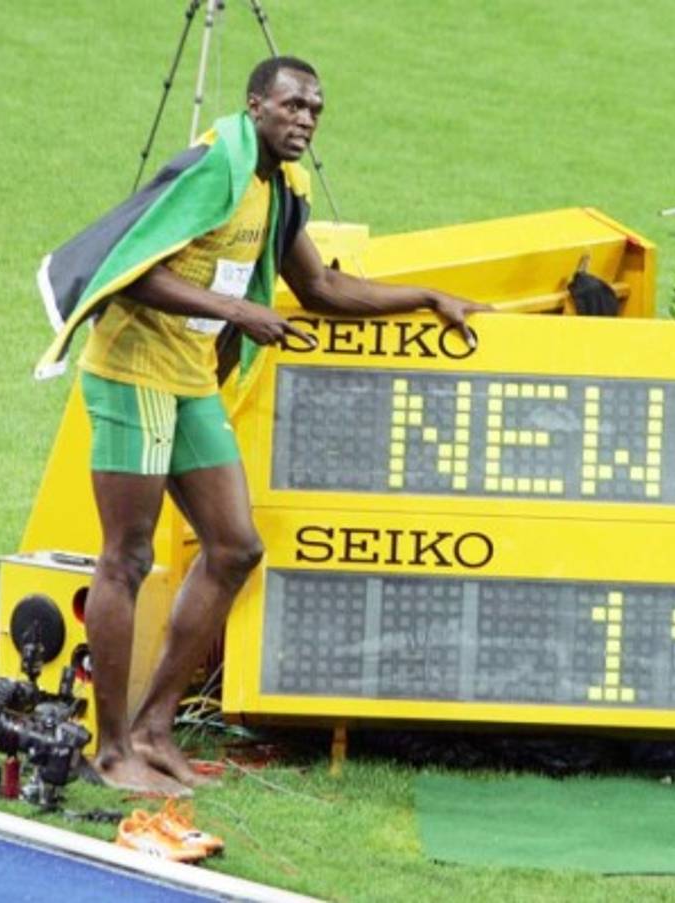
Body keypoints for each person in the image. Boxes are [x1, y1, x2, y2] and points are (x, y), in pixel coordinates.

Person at [35, 56, 484, 795]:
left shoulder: (279, 186)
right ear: (255, 106)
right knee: (127, 558)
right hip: (133, 374)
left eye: (315, 109)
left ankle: (153, 728)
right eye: (292, 105)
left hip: (189, 381)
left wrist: (429, 297)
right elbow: (130, 266)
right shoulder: (214, 167)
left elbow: (321, 285)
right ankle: (111, 750)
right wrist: (239, 311)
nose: (305, 119)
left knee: (236, 546)